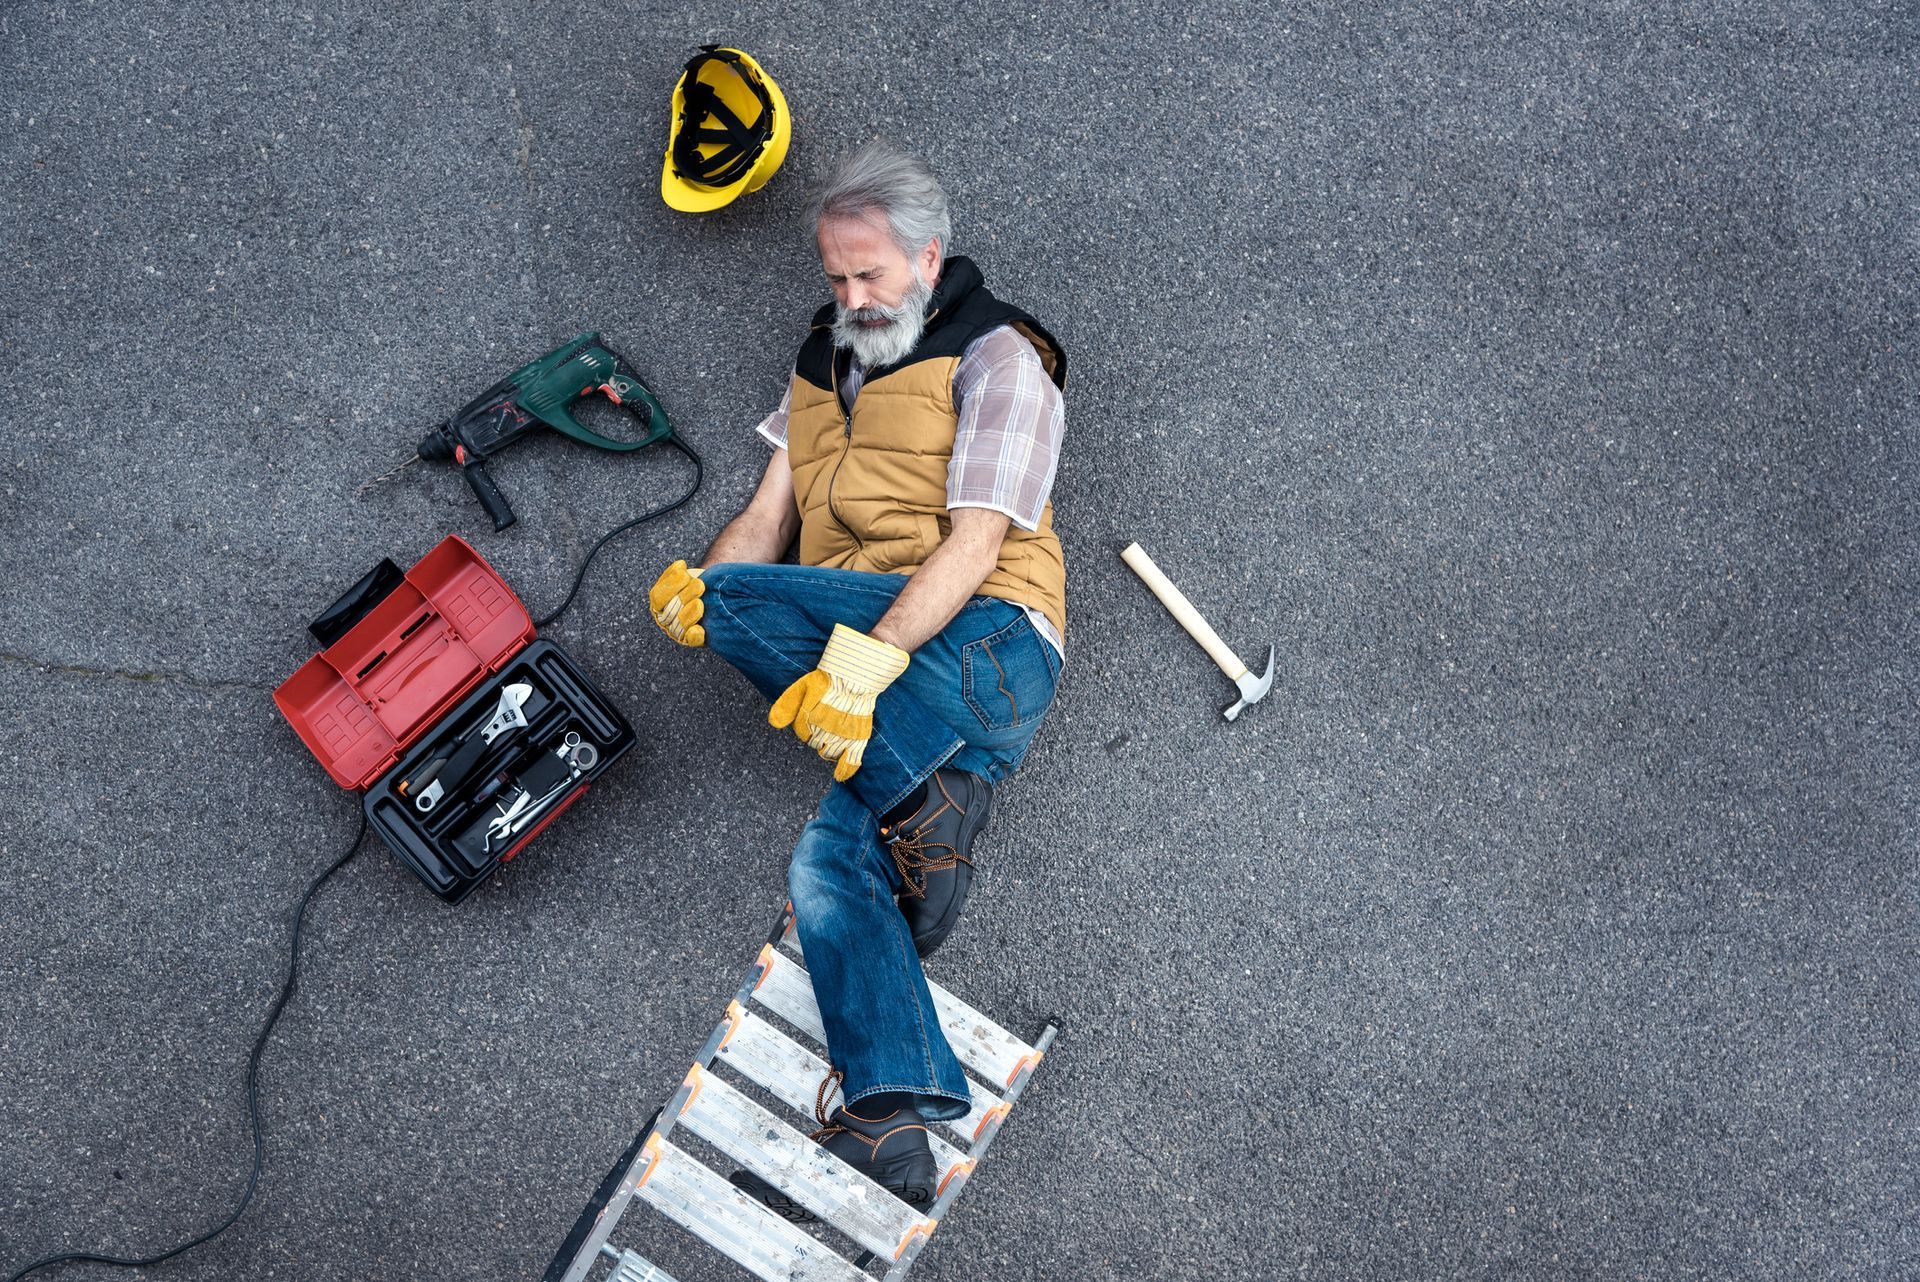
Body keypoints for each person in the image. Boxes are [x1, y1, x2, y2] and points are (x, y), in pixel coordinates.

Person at [647, 139, 1067, 1216]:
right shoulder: (820, 363)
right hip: (894, 683)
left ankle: (925, 794)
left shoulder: (1000, 358)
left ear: (930, 258)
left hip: (984, 643)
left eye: (871, 274)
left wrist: (861, 657)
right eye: (836, 277)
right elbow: (766, 515)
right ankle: (891, 1114)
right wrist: (702, 593)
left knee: (745, 603)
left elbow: (976, 543)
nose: (852, 295)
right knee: (828, 874)